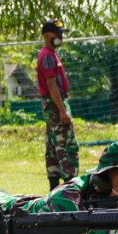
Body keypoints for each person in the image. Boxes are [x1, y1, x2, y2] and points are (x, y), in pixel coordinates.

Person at [37, 18, 78, 191]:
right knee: (65, 144)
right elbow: (52, 85)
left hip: (54, 103)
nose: (61, 36)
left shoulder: (51, 54)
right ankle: (70, 187)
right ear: (47, 35)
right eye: (58, 33)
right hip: (55, 104)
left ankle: (54, 188)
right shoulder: (47, 56)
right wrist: (62, 110)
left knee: (53, 145)